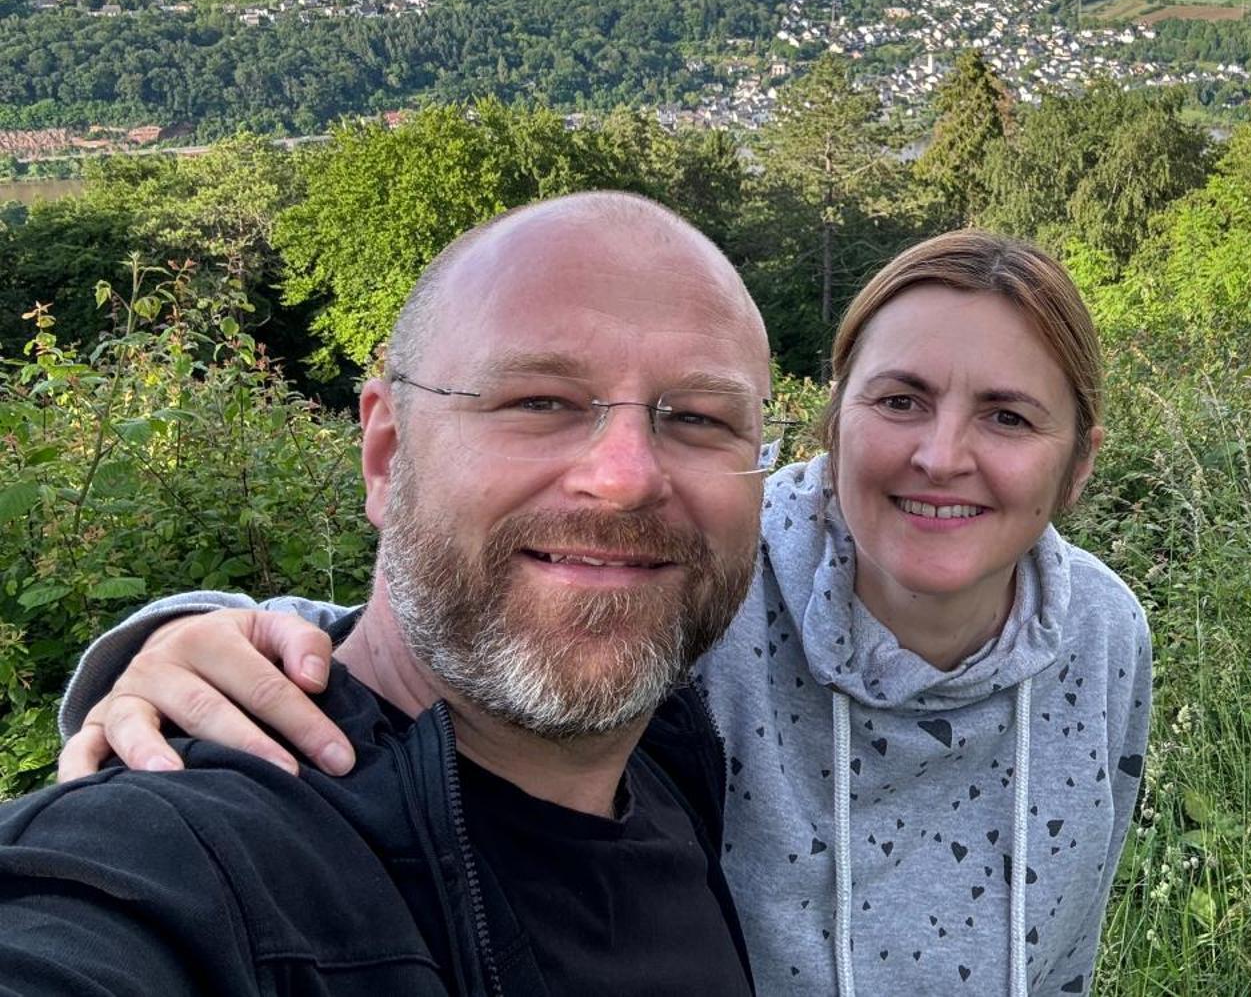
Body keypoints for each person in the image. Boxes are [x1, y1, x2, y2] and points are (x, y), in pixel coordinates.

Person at [59, 230, 1154, 997]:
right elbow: (478, 620)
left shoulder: (1103, 635)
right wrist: (198, 637)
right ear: (831, 422)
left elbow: (1063, 950)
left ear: (1075, 467)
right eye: (899, 399)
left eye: (1007, 416)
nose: (941, 453)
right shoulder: (718, 563)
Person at [1, 191, 770, 994]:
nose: (625, 479)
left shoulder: (674, 761)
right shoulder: (183, 854)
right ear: (386, 454)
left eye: (698, 418)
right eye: (539, 403)